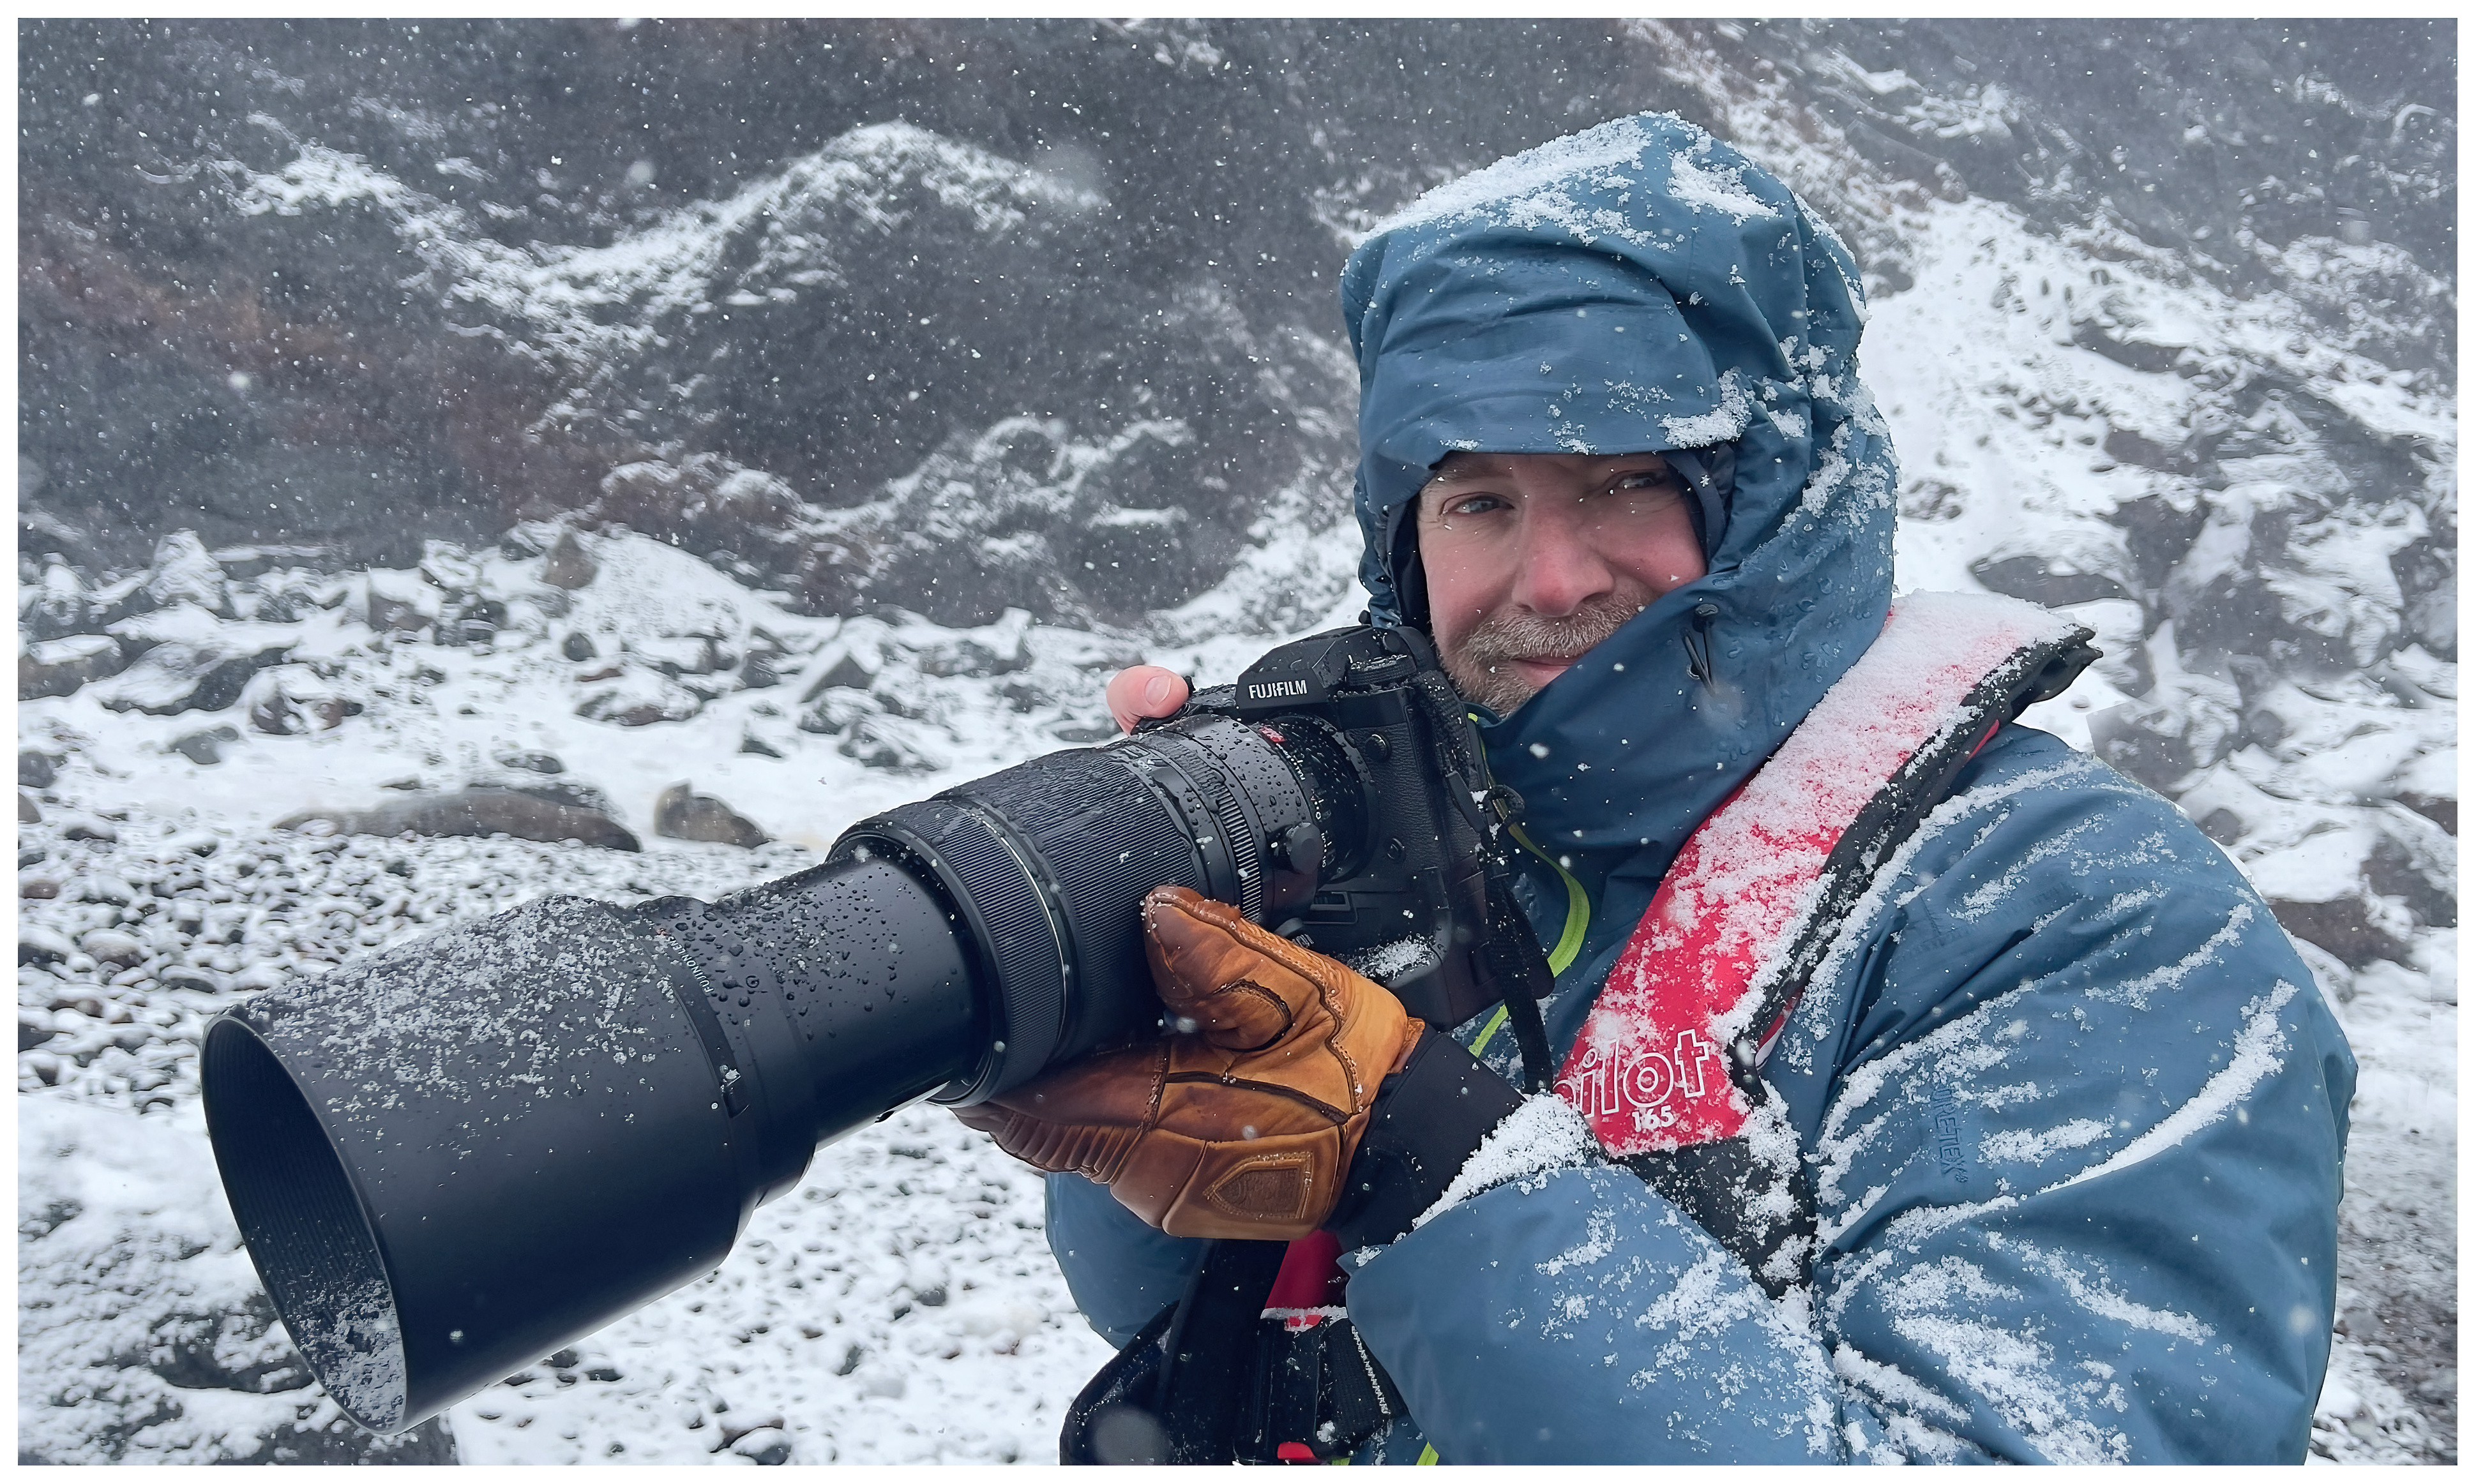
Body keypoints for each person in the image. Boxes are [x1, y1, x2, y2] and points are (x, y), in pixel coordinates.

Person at [958, 113, 2355, 1464]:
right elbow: (1230, 1348)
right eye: (1480, 501)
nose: (1552, 578)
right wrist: (1151, 987)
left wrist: (1430, 1161)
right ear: (1404, 546)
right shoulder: (1432, 855)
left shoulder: (2080, 920)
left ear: (1768, 497)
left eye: (1622, 481)